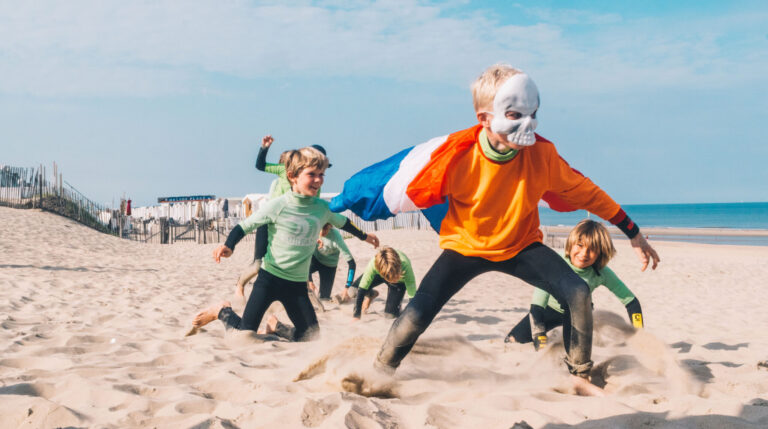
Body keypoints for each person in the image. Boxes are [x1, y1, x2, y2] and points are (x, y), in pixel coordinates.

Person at [334, 64, 660, 394]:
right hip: (465, 248)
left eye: (533, 113)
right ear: (485, 119)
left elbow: (586, 192)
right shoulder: (455, 158)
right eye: (515, 114)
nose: (527, 125)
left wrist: (632, 232)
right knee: (418, 312)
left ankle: (579, 373)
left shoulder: (541, 155)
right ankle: (379, 371)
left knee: (577, 292)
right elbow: (401, 182)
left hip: (520, 246)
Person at [189, 147, 379, 341]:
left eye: (321, 174)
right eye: (311, 174)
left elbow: (343, 222)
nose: (318, 180)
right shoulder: (278, 205)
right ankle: (222, 311)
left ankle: (276, 326)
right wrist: (229, 245)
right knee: (245, 335)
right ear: (292, 176)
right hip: (269, 279)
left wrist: (365, 236)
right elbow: (245, 226)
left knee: (311, 338)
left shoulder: (323, 208)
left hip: (297, 286)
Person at [505, 219, 644, 349]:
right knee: (511, 340)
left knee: (572, 348)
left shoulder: (601, 272)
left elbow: (631, 301)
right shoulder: (554, 261)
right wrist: (539, 335)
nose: (584, 254)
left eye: (592, 249)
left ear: (600, 253)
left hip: (580, 314)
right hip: (547, 311)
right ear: (571, 243)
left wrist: (639, 335)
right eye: (580, 245)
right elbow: (538, 303)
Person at [235, 135, 329, 300]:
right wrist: (265, 148)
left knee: (297, 261)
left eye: (322, 171)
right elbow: (260, 165)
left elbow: (314, 209)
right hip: (271, 222)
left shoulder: (314, 186)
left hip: (291, 225)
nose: (318, 177)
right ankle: (240, 285)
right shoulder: (284, 170)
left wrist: (319, 231)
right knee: (259, 265)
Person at [350, 246, 416, 320]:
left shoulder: (405, 265)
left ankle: (396, 308)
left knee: (390, 316)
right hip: (380, 275)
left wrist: (413, 314)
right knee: (352, 291)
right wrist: (356, 316)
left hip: (398, 283)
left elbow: (412, 295)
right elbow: (362, 288)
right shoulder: (374, 264)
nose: (392, 280)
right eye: (390, 278)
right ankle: (371, 294)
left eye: (393, 278)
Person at [307, 223, 356, 301]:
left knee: (324, 298)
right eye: (321, 228)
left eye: (325, 229)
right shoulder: (313, 229)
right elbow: (303, 256)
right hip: (315, 260)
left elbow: (352, 263)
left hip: (329, 265)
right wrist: (309, 280)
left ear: (330, 226)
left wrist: (347, 286)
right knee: (299, 270)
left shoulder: (336, 237)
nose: (322, 232)